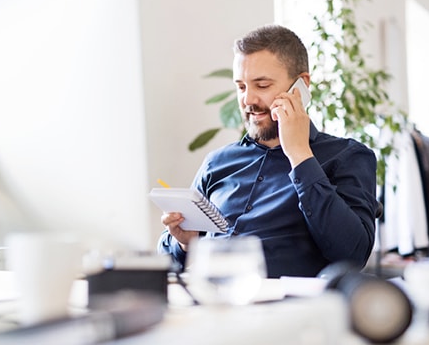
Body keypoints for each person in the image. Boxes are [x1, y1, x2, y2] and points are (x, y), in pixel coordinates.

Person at [158, 24, 378, 278]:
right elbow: (167, 263)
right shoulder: (216, 163)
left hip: (284, 310)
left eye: (261, 85)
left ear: (301, 86)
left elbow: (353, 254)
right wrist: (185, 243)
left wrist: (299, 155)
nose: (248, 100)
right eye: (241, 87)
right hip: (207, 304)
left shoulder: (347, 157)